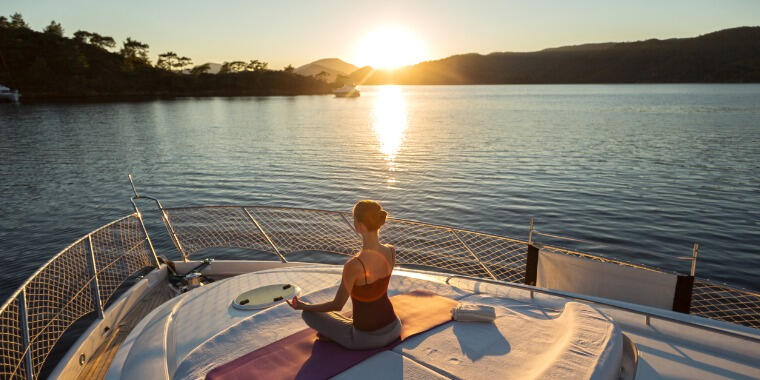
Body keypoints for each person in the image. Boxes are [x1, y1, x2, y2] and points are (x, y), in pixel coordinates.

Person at [286, 200, 401, 350]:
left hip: (366, 339)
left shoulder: (353, 265)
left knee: (308, 314)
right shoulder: (390, 251)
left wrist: (304, 306)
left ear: (359, 226)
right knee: (342, 318)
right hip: (394, 327)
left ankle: (334, 336)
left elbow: (337, 305)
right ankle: (335, 332)